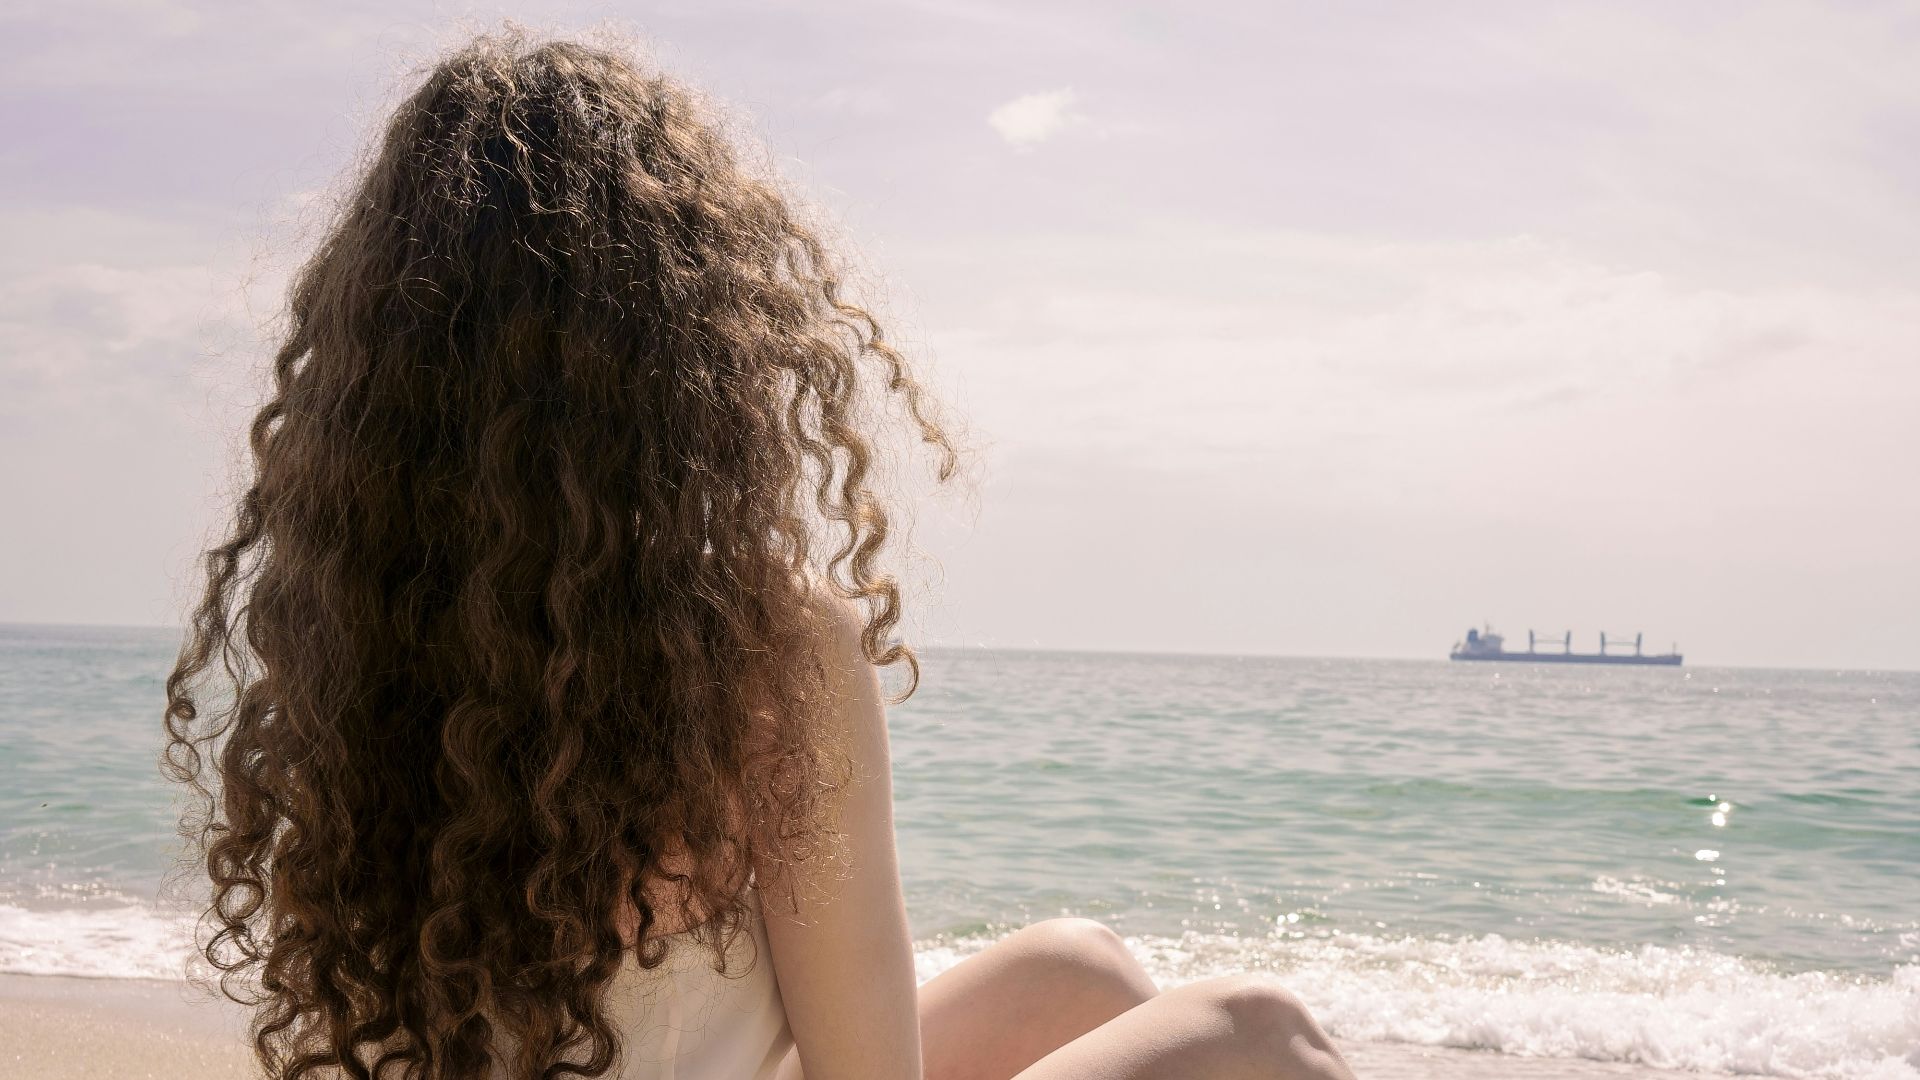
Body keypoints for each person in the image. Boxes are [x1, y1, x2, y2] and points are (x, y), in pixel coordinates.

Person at [163, 29, 1356, 1080]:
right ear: (689, 362)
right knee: (1266, 1032)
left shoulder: (356, 644)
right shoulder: (761, 652)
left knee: (1078, 972)